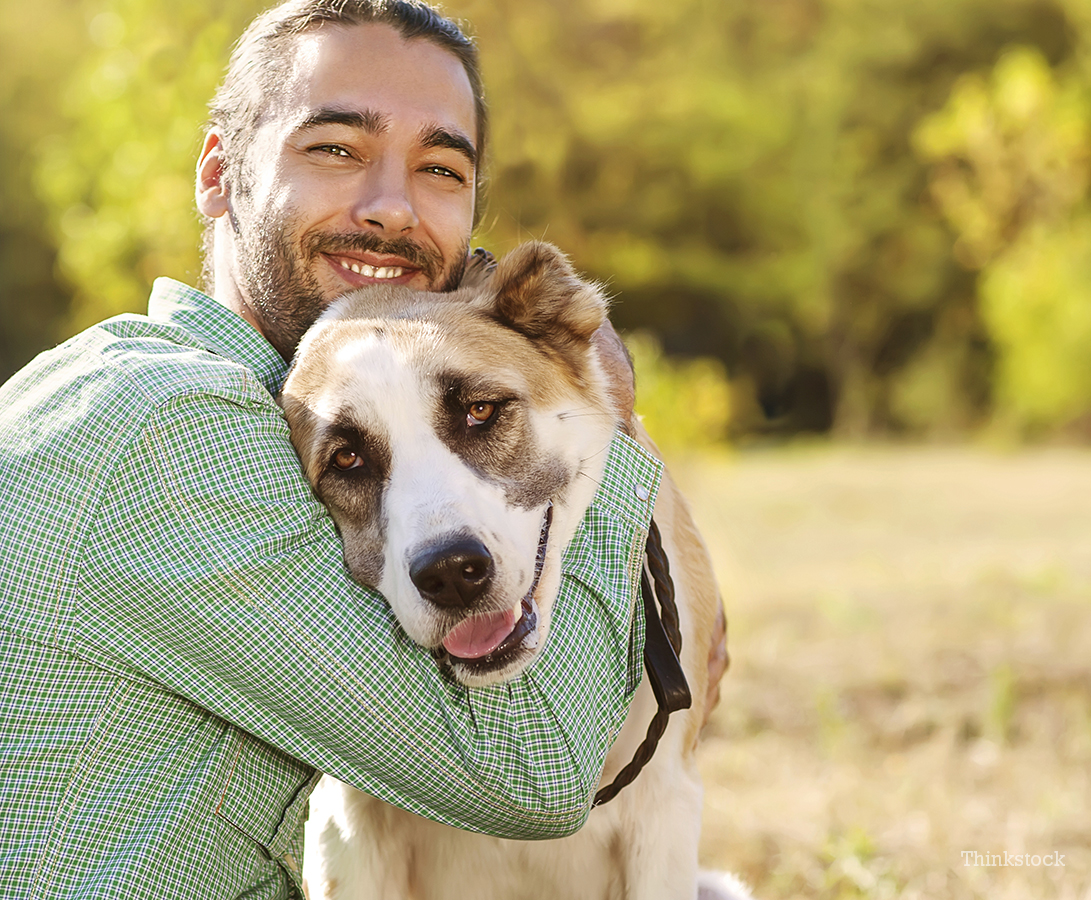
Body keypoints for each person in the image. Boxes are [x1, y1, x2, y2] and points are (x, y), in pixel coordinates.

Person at [0, 1, 662, 897]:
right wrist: (597, 405)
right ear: (218, 174)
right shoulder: (167, 425)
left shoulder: (272, 413)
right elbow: (535, 769)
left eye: (440, 168)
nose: (392, 209)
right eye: (337, 149)